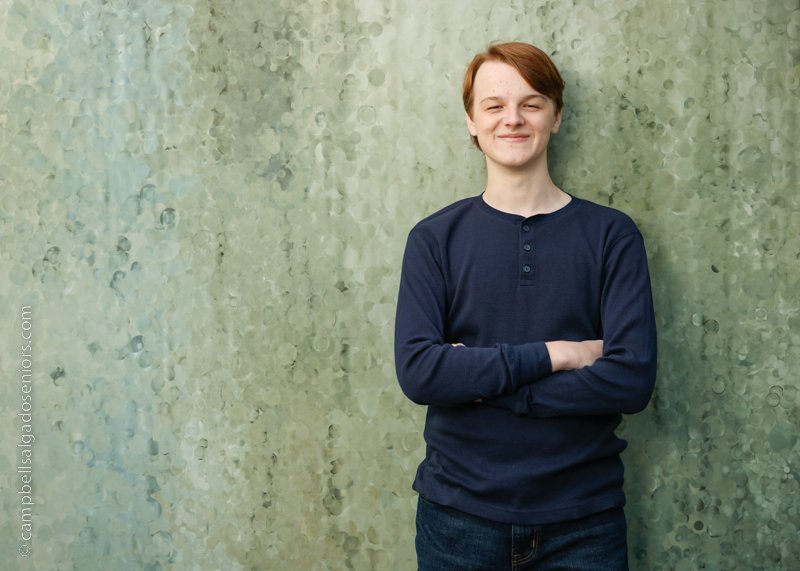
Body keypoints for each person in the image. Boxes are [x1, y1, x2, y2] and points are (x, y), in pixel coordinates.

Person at [394, 41, 657, 570]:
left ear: (556, 117)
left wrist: (486, 383)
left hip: (585, 523)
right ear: (471, 121)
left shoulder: (612, 235)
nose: (512, 119)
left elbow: (631, 380)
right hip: (458, 520)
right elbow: (421, 372)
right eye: (494, 106)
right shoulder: (434, 239)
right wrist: (557, 354)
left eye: (531, 103)